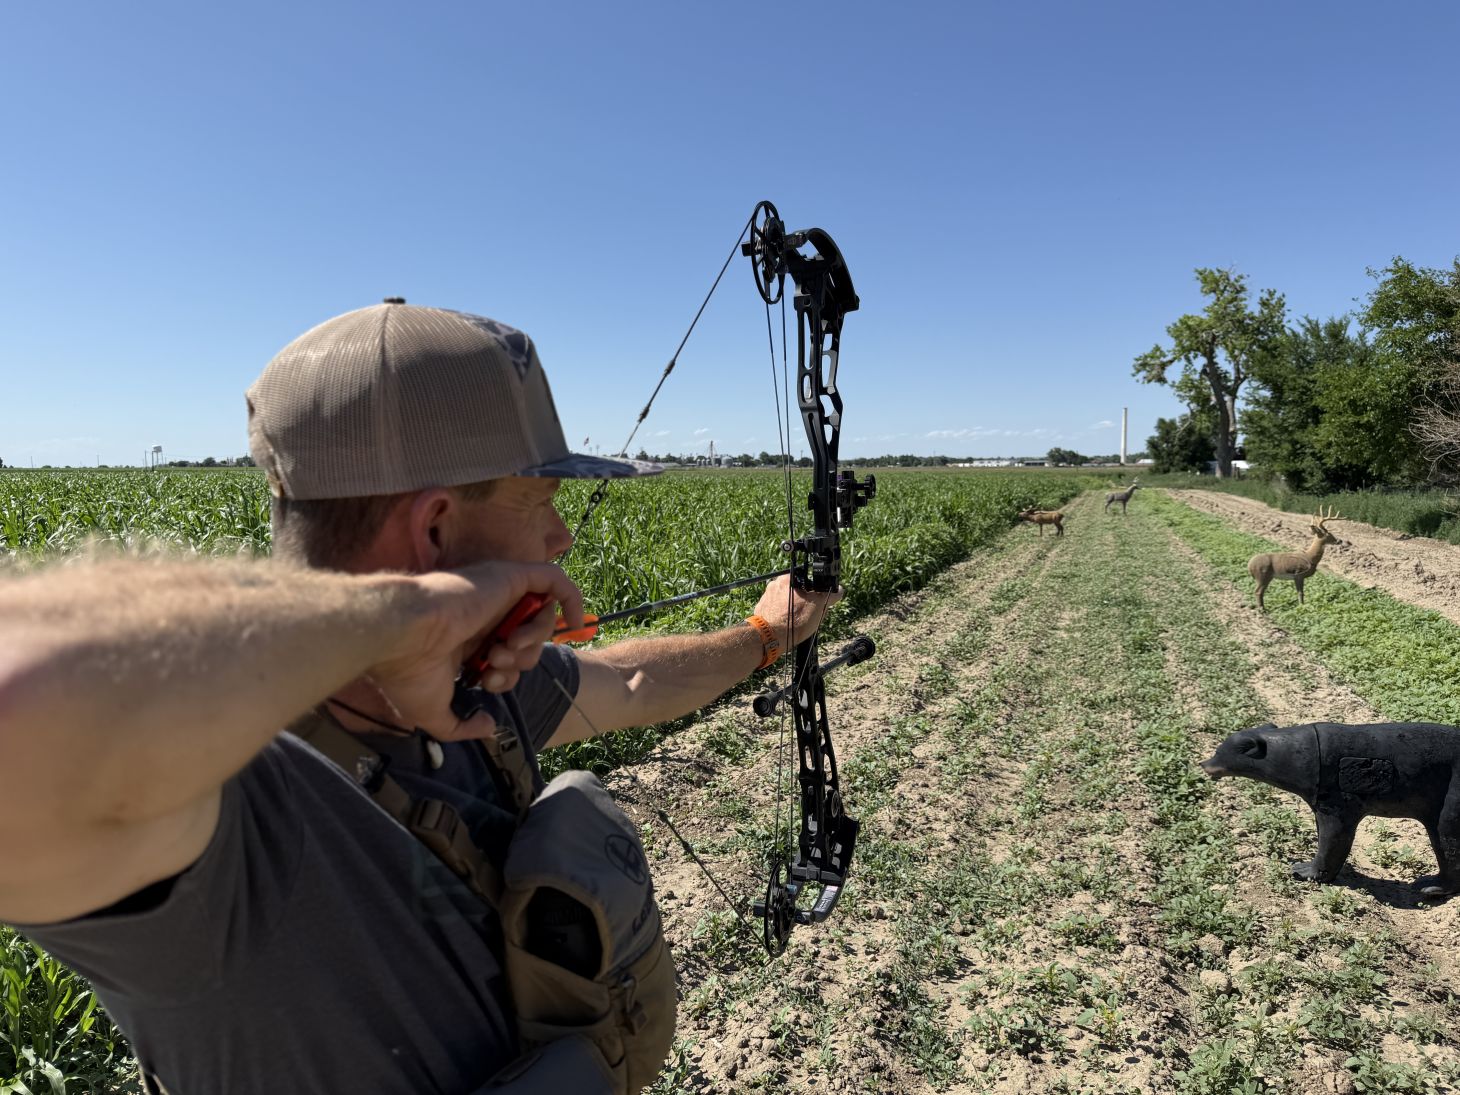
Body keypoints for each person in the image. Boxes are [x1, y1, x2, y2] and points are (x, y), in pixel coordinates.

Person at [0, 299, 837, 1094]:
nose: (561, 537)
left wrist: (769, 632)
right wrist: (410, 616)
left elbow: (630, 679)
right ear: (435, 528)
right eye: (540, 501)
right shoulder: (225, 820)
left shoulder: (471, 689)